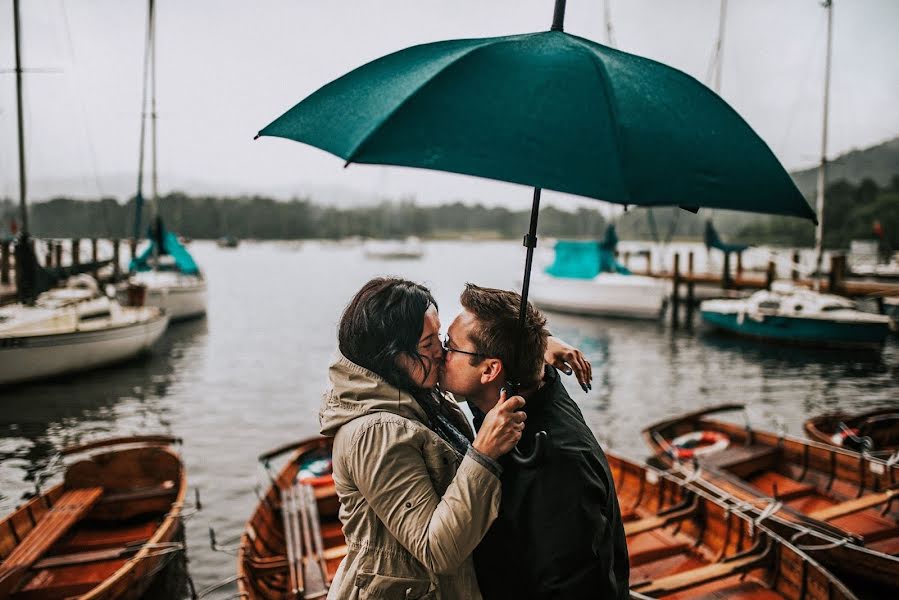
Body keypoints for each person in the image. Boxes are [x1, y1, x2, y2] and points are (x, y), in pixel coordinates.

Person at [319, 277, 591, 599]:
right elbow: (436, 551)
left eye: (439, 336)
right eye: (428, 343)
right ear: (391, 356)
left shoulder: (416, 389)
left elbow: (481, 360)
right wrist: (483, 454)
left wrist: (533, 346)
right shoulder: (374, 434)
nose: (441, 352)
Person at [440, 283, 629, 600]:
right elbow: (514, 356)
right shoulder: (530, 387)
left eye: (450, 346)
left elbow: (574, 588)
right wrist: (540, 342)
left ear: (490, 370)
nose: (441, 355)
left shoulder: (559, 468)